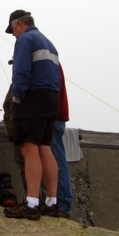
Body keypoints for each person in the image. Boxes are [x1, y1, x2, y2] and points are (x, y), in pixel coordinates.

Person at [3, 10, 61, 221]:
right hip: (52, 97)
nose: (13, 35)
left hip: (32, 98)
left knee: (29, 148)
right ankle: (52, 202)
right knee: (45, 147)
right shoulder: (49, 42)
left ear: (18, 24)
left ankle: (31, 204)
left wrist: (17, 98)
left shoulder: (25, 39)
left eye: (13, 31)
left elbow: (21, 71)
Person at [50, 64, 74, 218]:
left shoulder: (49, 64)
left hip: (53, 117)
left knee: (57, 159)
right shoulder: (52, 62)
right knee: (55, 159)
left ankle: (63, 204)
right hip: (55, 117)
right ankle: (57, 202)